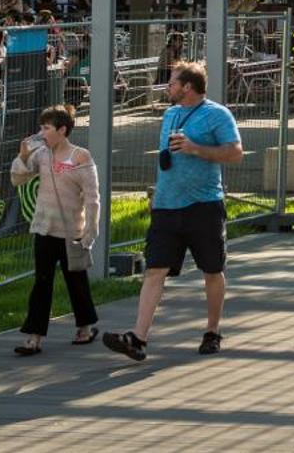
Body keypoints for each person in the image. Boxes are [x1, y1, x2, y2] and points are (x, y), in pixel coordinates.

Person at [103, 63, 243, 362]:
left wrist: (196, 149)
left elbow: (235, 153)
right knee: (155, 269)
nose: (167, 87)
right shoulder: (170, 114)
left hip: (203, 205)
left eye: (172, 83)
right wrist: (158, 192)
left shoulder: (217, 114)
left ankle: (212, 330)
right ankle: (138, 338)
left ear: (187, 87)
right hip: (167, 206)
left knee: (212, 270)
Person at [10, 105, 101, 355]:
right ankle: (34, 337)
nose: (42, 132)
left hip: (72, 232)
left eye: (47, 128)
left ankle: (85, 327)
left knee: (76, 281)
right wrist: (23, 155)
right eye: (41, 127)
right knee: (41, 282)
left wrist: (89, 233)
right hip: (44, 228)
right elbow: (18, 178)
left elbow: (93, 198)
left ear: (62, 130)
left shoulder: (80, 156)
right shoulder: (41, 154)